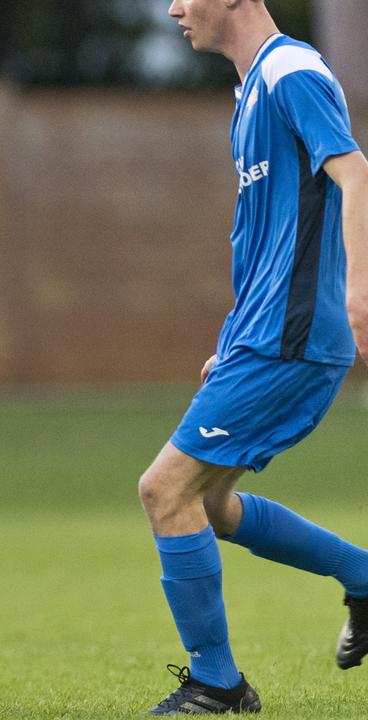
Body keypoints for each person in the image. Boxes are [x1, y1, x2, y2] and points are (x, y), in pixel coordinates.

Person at [141, 0, 368, 714]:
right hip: (263, 334)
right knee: (207, 502)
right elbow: (266, 242)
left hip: (293, 335)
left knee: (164, 491)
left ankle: (217, 684)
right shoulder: (251, 95)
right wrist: (232, 338)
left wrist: (360, 292)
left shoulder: (292, 71)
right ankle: (363, 576)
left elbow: (357, 176)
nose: (174, 7)